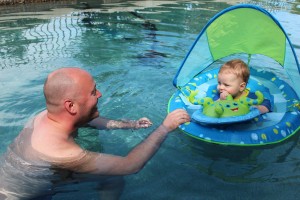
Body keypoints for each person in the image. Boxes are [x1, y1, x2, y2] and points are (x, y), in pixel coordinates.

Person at [0, 67, 190, 200]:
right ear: (71, 106)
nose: (99, 94)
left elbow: (87, 119)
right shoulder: (62, 152)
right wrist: (165, 127)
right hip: (17, 195)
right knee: (116, 175)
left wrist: (129, 124)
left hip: (27, 176)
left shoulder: (43, 117)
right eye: (93, 92)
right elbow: (130, 165)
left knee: (111, 179)